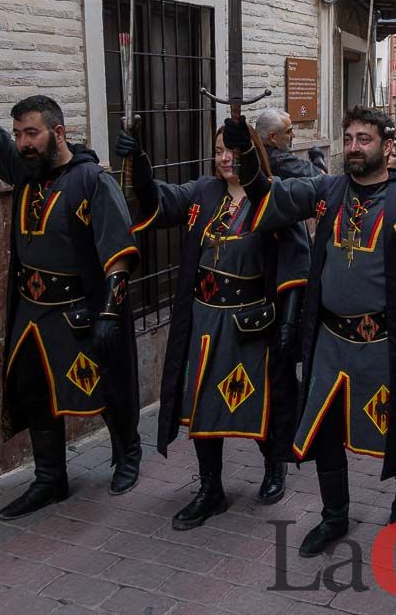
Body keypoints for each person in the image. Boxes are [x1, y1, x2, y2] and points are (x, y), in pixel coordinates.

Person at [0, 30, 143, 519]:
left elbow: (119, 251)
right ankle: (50, 479)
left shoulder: (93, 180)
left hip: (80, 313)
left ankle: (127, 453)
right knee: (35, 392)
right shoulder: (23, 171)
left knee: (104, 387)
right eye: (20, 133)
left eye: (32, 133)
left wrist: (110, 312)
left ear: (58, 133)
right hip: (30, 312)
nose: (23, 142)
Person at [220, 107, 396, 557]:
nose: (355, 146)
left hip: (384, 342)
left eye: (365, 138)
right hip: (330, 341)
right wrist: (247, 151)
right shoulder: (328, 190)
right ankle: (334, 516)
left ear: (386, 145)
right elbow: (270, 196)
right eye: (349, 137)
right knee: (323, 431)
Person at [114, 128, 309, 528]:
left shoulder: (272, 195)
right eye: (219, 150)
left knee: (258, 401)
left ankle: (274, 467)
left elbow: (295, 258)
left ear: (252, 153)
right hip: (203, 321)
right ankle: (210, 489)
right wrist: (140, 166)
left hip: (251, 325)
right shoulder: (202, 193)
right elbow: (160, 203)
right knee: (203, 406)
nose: (225, 159)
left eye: (234, 151)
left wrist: (290, 322)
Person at [254, 108, 326, 178]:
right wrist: (319, 160)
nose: (293, 135)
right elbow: (322, 178)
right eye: (288, 131)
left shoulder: (255, 153)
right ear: (273, 137)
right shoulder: (282, 161)